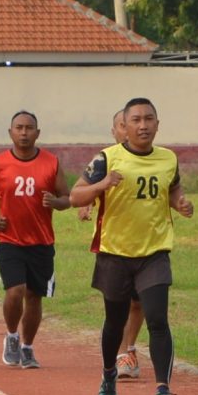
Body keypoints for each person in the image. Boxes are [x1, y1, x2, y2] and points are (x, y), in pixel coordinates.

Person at [70, 97, 194, 395]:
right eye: (136, 120)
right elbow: (75, 196)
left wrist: (180, 202)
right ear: (124, 126)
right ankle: (109, 375)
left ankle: (163, 391)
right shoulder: (106, 159)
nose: (143, 125)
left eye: (148, 119)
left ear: (157, 124)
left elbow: (172, 189)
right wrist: (102, 184)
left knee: (158, 319)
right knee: (115, 322)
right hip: (115, 253)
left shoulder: (168, 158)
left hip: (154, 251)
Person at [0, 110, 71, 369]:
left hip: (41, 241)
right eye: (19, 128)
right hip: (10, 240)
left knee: (34, 296)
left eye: (29, 128)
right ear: (10, 132)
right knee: (15, 291)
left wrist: (56, 202)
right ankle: (11, 336)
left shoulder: (51, 162)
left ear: (37, 133)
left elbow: (67, 198)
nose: (24, 132)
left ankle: (27, 347)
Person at [77, 109, 146, 380]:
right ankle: (121, 352)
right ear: (115, 130)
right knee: (119, 304)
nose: (128, 130)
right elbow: (85, 190)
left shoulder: (150, 158)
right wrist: (86, 205)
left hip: (146, 244)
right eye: (122, 125)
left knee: (139, 303)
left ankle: (129, 348)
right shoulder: (105, 159)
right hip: (114, 245)